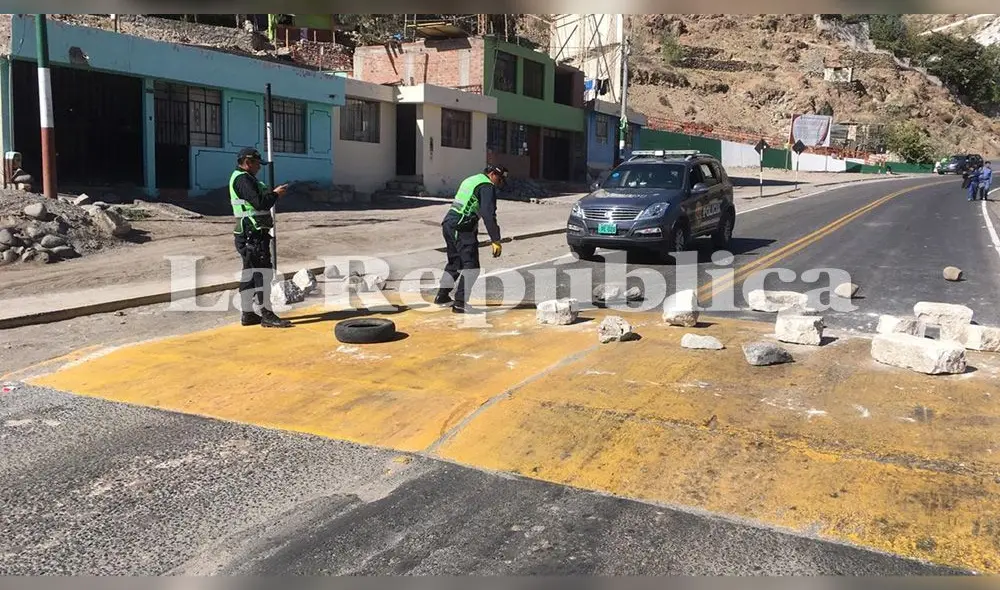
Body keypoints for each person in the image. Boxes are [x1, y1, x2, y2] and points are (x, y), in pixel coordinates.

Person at [230, 147, 293, 328]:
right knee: (262, 274)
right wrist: (275, 194)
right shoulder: (243, 179)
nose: (259, 167)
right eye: (257, 164)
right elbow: (259, 203)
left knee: (250, 274)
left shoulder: (244, 178)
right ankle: (266, 314)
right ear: (248, 163)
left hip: (249, 233)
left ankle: (248, 314)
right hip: (252, 233)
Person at [433, 164, 508, 314]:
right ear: (493, 174)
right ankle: (460, 302)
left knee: (456, 262)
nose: (499, 184)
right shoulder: (487, 186)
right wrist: (495, 239)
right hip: (462, 227)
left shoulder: (472, 179)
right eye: (499, 180)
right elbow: (488, 214)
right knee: (471, 266)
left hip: (449, 223)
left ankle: (442, 296)